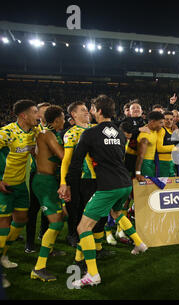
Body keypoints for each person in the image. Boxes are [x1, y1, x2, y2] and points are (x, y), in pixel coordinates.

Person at [63, 95, 147, 288]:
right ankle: (139, 243)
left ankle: (92, 274)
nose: (91, 112)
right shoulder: (118, 133)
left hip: (108, 187)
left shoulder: (90, 134)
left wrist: (68, 185)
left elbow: (75, 164)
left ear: (99, 111)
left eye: (92, 108)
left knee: (83, 228)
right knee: (117, 213)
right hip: (125, 184)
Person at [0, 100, 39, 282]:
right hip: (4, 185)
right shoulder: (7, 132)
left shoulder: (35, 132)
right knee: (3, 224)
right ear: (23, 115)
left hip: (21, 186)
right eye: (34, 112)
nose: (38, 115)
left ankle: (3, 255)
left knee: (21, 219)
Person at [30, 105, 66, 281]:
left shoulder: (48, 134)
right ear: (57, 119)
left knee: (62, 217)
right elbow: (62, 155)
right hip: (44, 182)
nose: (65, 120)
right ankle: (38, 267)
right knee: (56, 223)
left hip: (49, 181)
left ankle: (49, 250)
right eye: (63, 117)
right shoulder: (47, 134)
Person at [58, 101, 93, 248]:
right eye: (83, 110)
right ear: (74, 114)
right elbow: (66, 160)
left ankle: (89, 235)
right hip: (78, 176)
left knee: (91, 209)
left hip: (95, 177)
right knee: (75, 207)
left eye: (87, 110)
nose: (87, 112)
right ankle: (72, 234)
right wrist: (63, 183)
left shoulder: (94, 129)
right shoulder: (71, 133)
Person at [26, 102, 51, 253]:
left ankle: (44, 236)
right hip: (37, 175)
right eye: (44, 111)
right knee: (33, 209)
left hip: (51, 177)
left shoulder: (54, 130)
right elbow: (30, 149)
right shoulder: (34, 131)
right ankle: (29, 242)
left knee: (48, 210)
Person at [135, 111, 179, 181]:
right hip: (145, 164)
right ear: (153, 122)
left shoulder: (154, 130)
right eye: (160, 123)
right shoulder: (145, 136)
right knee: (148, 188)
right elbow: (140, 155)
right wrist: (138, 173)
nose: (162, 125)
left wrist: (174, 125)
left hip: (152, 163)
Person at [121, 100, 146, 178]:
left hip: (144, 156)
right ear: (129, 112)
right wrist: (139, 129)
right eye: (133, 108)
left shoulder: (146, 122)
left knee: (141, 177)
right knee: (129, 177)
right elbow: (128, 135)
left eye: (138, 108)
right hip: (129, 155)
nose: (136, 109)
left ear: (142, 111)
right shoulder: (125, 122)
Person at [157, 111, 177, 177]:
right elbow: (159, 148)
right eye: (167, 119)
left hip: (171, 162)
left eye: (171, 119)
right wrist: (175, 148)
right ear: (163, 120)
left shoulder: (172, 131)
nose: (169, 121)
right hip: (163, 163)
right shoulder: (161, 130)